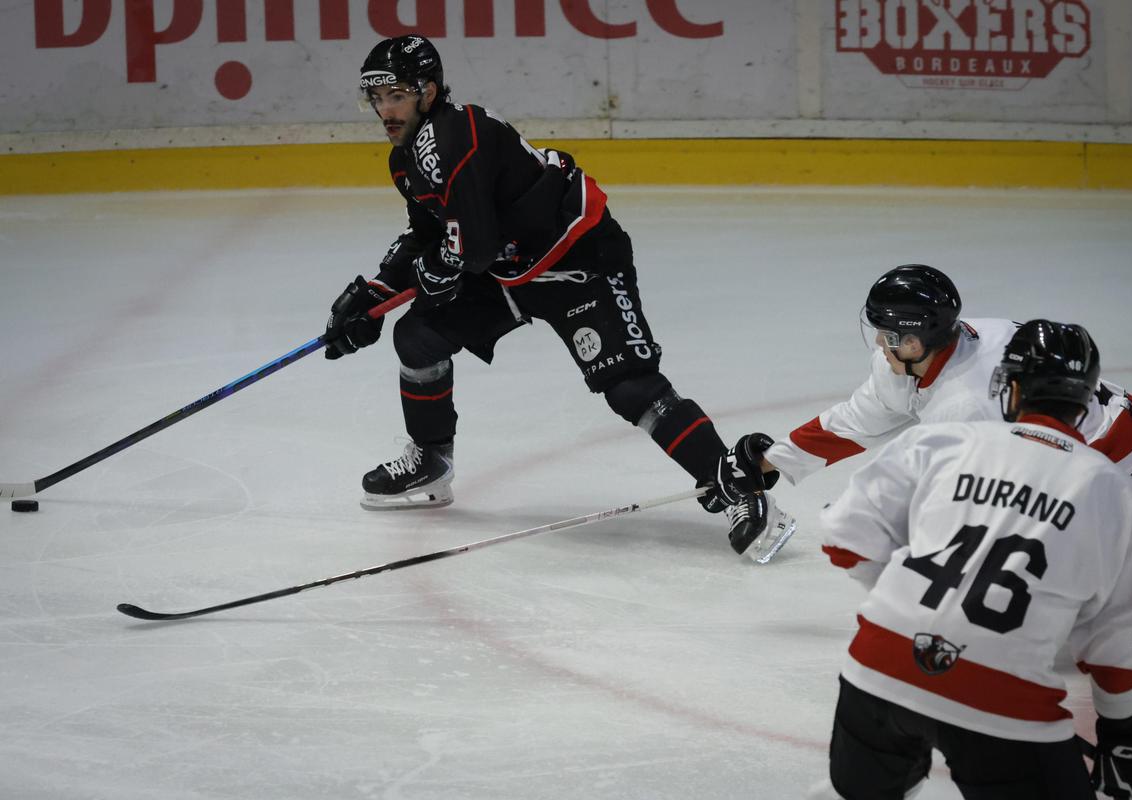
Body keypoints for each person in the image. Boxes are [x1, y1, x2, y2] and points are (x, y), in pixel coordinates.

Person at [321, 35, 794, 559]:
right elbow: (430, 236)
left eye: (397, 96)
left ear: (428, 92)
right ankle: (431, 461)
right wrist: (374, 294)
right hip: (511, 271)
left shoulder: (459, 132)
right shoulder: (406, 159)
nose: (386, 111)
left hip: (578, 263)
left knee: (631, 387)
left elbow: (470, 247)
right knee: (418, 336)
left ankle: (738, 487)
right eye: (378, 98)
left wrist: (435, 269)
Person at [712, 264, 1132, 619]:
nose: (879, 343)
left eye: (887, 334)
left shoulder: (964, 406)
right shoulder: (926, 354)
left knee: (1032, 575)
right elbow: (859, 420)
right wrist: (767, 461)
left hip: (1113, 451)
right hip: (1061, 438)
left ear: (914, 341)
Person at [819, 320, 1132, 799]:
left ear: (1012, 388)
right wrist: (1121, 727)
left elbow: (843, 536)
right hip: (1003, 700)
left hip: (878, 670)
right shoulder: (1121, 495)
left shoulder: (944, 441)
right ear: (1085, 402)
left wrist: (912, 601)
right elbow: (1116, 644)